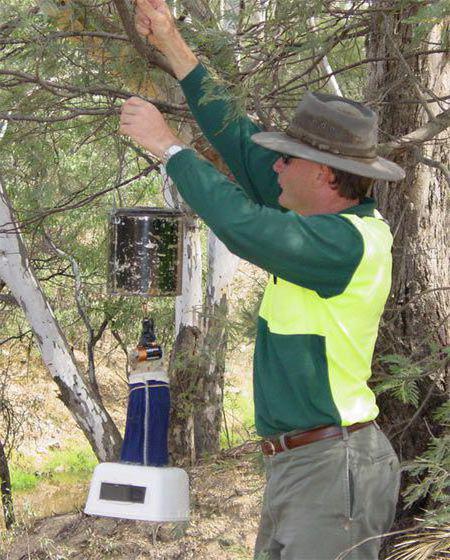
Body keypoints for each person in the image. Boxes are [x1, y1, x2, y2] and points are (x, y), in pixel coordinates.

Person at [120, 1, 404, 558]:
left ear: (322, 174)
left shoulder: (346, 244)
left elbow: (241, 226)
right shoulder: (319, 222)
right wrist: (173, 46)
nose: (273, 167)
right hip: (301, 467)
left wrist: (169, 149)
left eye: (287, 161)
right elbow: (243, 144)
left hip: (331, 469)